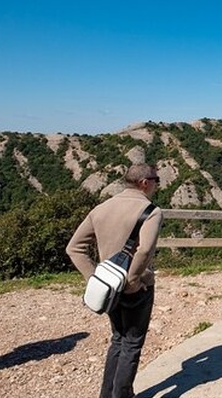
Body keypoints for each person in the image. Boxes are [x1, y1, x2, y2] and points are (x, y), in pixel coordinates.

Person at [66, 163, 164, 398]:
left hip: (108, 288)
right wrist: (132, 281)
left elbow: (74, 248)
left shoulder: (101, 208)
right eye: (156, 179)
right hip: (136, 288)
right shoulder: (151, 211)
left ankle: (107, 394)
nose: (157, 184)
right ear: (144, 183)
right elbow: (144, 250)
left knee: (118, 339)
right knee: (131, 343)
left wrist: (95, 278)